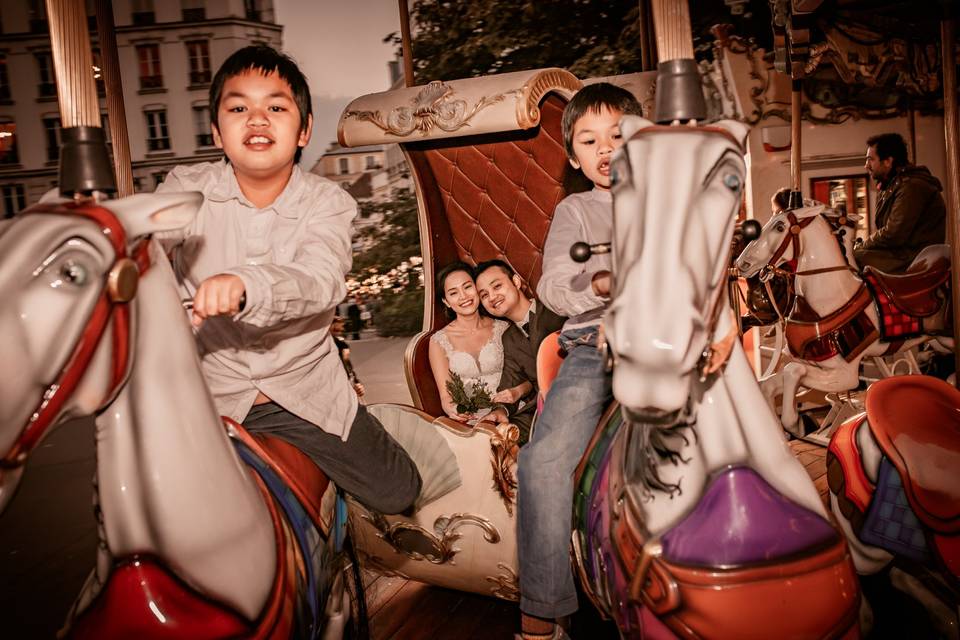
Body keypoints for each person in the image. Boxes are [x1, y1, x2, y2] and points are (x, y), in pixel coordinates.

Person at [157, 45, 419, 515]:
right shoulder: (185, 188)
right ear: (217, 130)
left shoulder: (327, 202)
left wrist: (247, 285)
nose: (257, 120)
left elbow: (320, 278)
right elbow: (148, 238)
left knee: (398, 491)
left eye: (275, 107)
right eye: (239, 108)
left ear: (304, 131)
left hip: (301, 391)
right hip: (208, 393)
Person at [517, 82, 643, 640]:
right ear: (573, 157)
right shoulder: (576, 210)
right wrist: (597, 280)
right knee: (542, 462)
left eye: (618, 133)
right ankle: (542, 613)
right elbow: (551, 286)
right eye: (590, 140)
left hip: (668, 342)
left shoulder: (668, 200)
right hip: (597, 344)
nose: (606, 148)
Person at [474, 259, 566, 444]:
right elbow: (510, 379)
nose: (492, 297)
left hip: (577, 397)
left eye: (497, 286)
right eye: (484, 295)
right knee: (497, 438)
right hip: (540, 411)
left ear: (516, 282)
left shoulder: (555, 308)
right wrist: (500, 410)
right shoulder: (509, 338)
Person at [427, 261, 519, 422]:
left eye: (467, 287)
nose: (463, 296)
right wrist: (454, 409)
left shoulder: (504, 329)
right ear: (446, 301)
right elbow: (445, 395)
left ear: (477, 288)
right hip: (470, 420)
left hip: (512, 412)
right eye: (453, 293)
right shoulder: (438, 342)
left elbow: (525, 377)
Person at [854, 132, 947, 273]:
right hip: (903, 253)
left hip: (914, 257)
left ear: (888, 161)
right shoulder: (891, 186)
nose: (866, 165)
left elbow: (894, 234)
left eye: (870, 159)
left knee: (853, 258)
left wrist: (863, 245)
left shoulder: (911, 187)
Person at [331, 316, 365, 398]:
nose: (341, 330)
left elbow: (349, 367)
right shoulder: (334, 346)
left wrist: (357, 382)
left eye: (341, 327)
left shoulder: (341, 344)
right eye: (336, 328)